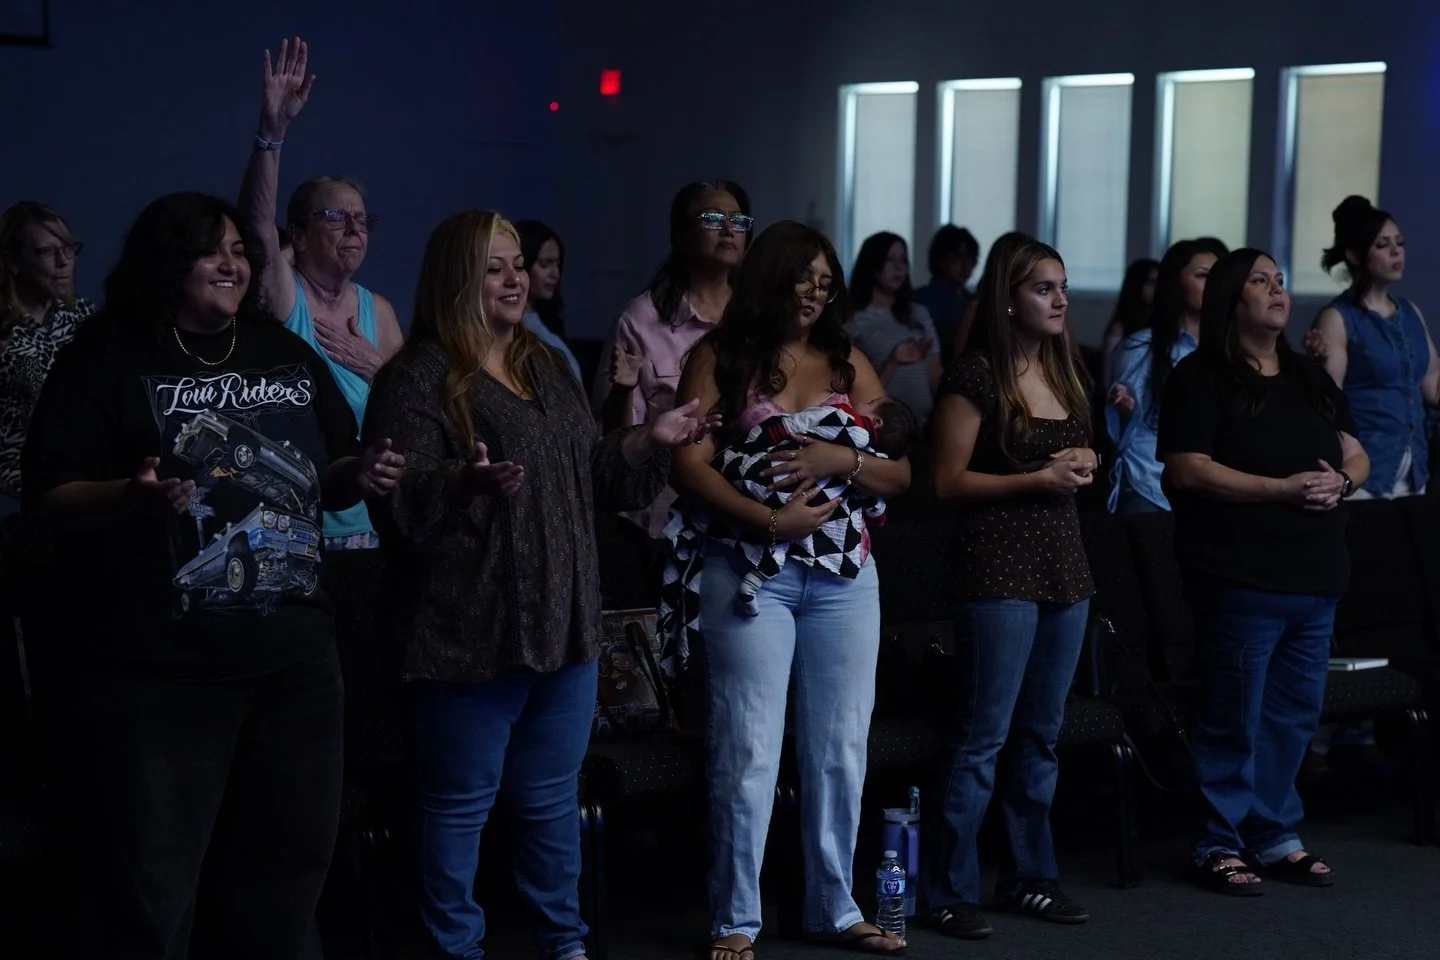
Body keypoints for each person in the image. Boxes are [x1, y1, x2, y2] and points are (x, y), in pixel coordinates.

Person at [22, 191, 402, 957]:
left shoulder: (281, 352)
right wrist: (131, 497)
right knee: (155, 885)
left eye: (238, 249)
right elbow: (50, 493)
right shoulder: (108, 357)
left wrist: (362, 471)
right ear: (168, 263)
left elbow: (328, 467)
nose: (232, 263)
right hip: (161, 672)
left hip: (293, 661)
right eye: (212, 250)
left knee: (290, 874)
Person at [362, 209, 714, 960]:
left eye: (519, 263)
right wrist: (466, 482)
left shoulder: (542, 364)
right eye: (495, 267)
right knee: (459, 806)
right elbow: (398, 504)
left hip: (564, 618)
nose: (516, 277)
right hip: (467, 626)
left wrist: (649, 438)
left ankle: (565, 944)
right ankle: (455, 949)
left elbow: (592, 476)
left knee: (550, 801)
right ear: (457, 279)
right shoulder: (417, 377)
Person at [668, 220, 911, 960]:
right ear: (769, 276)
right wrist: (769, 519)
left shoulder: (845, 360)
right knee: (749, 749)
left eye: (824, 277)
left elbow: (899, 473)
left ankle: (834, 907)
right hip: (749, 574)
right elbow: (689, 466)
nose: (816, 289)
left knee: (841, 745)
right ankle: (735, 917)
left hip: (843, 576)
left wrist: (839, 456)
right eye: (802, 275)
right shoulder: (721, 356)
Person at [1157, 247, 1368, 895]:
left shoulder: (1309, 375)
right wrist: (1277, 490)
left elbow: (1357, 453)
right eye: (1260, 281)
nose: (1277, 290)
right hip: (1241, 575)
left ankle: (1274, 835)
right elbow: (1186, 469)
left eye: (1280, 281)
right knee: (1233, 717)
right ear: (1231, 297)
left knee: (1292, 718)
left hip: (1314, 574)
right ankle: (1218, 841)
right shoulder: (1202, 375)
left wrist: (1343, 482)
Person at [923, 239, 1096, 940]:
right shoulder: (975, 376)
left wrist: (1086, 459)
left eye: (1061, 287)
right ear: (1007, 299)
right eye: (1043, 289)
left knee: (1041, 736)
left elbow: (1078, 458)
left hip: (1064, 566)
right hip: (995, 568)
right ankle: (945, 888)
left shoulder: (1065, 368)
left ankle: (1031, 877)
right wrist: (1037, 477)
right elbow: (944, 482)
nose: (1058, 300)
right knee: (981, 738)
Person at [237, 35, 405, 551]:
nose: (354, 229)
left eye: (361, 219)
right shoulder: (289, 296)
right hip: (301, 524)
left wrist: (376, 368)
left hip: (376, 525)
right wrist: (273, 131)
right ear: (300, 234)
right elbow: (255, 232)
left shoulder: (377, 309)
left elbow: (415, 410)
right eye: (337, 217)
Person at [592, 180, 752, 539]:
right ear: (681, 236)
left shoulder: (759, 316)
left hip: (748, 513)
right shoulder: (640, 319)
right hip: (667, 519)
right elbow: (615, 441)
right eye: (712, 219)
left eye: (738, 220)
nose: (728, 230)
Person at [705, 394, 916, 616]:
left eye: (871, 403)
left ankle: (754, 580)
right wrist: (878, 516)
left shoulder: (843, 416)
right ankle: (755, 581)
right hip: (820, 529)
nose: (862, 402)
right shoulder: (876, 454)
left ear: (876, 422)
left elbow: (800, 422)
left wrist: (768, 434)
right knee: (785, 542)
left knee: (782, 533)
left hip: (778, 489)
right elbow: (874, 500)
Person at [1304, 195, 1438, 499]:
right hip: (1366, 477)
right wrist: (1316, 364)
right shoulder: (1338, 317)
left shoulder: (1410, 312)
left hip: (1415, 473)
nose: (1396, 252)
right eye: (1382, 245)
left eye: (1399, 243)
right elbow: (1330, 404)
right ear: (1354, 255)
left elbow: (1433, 387)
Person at [1106, 239, 1227, 514]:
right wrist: (1124, 406)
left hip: (1217, 487)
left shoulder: (1233, 348)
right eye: (1203, 276)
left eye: (1219, 276)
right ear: (1176, 284)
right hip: (1152, 485)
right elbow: (1127, 431)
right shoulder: (1142, 346)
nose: (1214, 285)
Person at [0, 201, 96, 517]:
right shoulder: (4, 329)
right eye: (45, 252)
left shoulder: (83, 315)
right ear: (13, 262)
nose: (63, 262)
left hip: (84, 471)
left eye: (68, 249)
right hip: (18, 485)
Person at [846, 232, 942, 428]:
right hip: (880, 428)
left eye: (903, 260)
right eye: (890, 259)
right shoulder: (853, 319)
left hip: (924, 426)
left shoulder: (919, 314)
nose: (899, 267)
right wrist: (893, 361)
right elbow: (851, 392)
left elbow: (935, 375)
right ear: (873, 265)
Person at [516, 218, 583, 380]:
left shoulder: (545, 322)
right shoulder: (513, 327)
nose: (555, 274)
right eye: (545, 264)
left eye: (558, 265)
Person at [913, 225, 979, 361]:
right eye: (959, 257)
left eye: (971, 258)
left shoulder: (972, 299)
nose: (966, 265)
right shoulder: (923, 299)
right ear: (941, 259)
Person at [1099, 257, 1159, 390]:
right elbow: (1108, 381)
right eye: (1151, 283)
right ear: (1138, 285)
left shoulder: (1163, 322)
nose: (1158, 288)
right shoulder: (1119, 329)